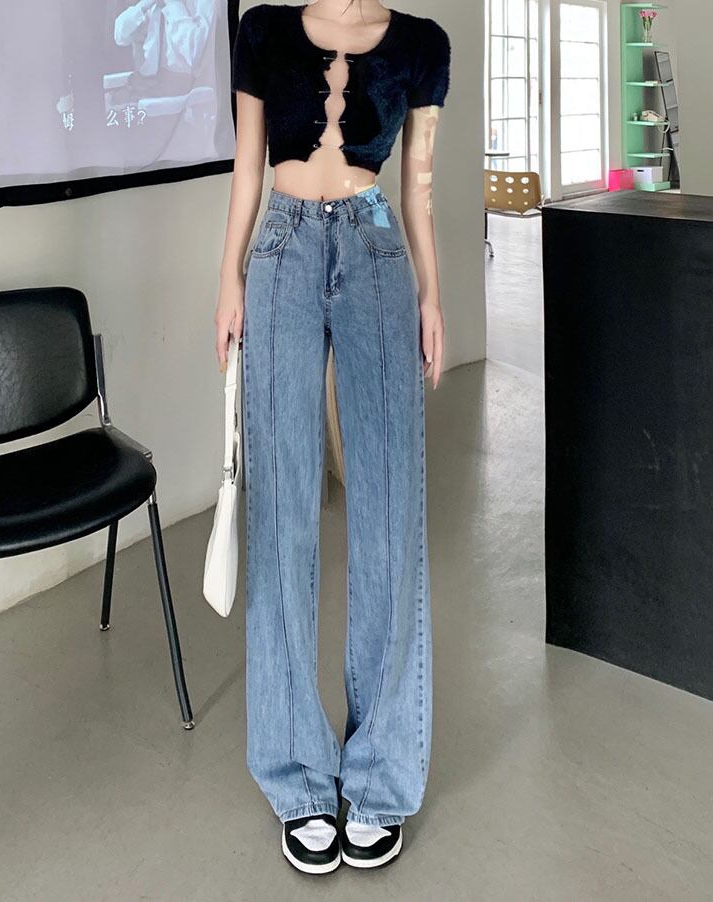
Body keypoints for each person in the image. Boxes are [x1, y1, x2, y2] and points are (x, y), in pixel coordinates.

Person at [215, 0, 450, 874]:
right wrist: (229, 280)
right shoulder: (263, 30)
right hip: (280, 251)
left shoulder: (422, 43)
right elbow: (247, 166)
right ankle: (298, 776)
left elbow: (418, 184)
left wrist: (431, 295)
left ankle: (381, 775)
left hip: (377, 248)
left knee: (388, 514)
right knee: (282, 515)